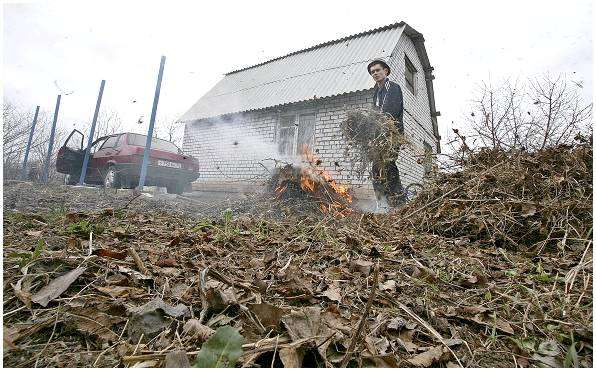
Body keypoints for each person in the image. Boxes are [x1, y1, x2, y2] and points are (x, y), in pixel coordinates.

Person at [367, 59, 405, 208]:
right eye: (372, 72)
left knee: (388, 165)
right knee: (376, 168)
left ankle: (399, 203)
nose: (375, 73)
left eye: (377, 70)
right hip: (378, 137)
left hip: (391, 135)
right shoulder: (376, 93)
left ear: (386, 71)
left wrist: (380, 130)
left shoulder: (393, 88)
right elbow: (374, 115)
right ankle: (382, 203)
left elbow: (390, 113)